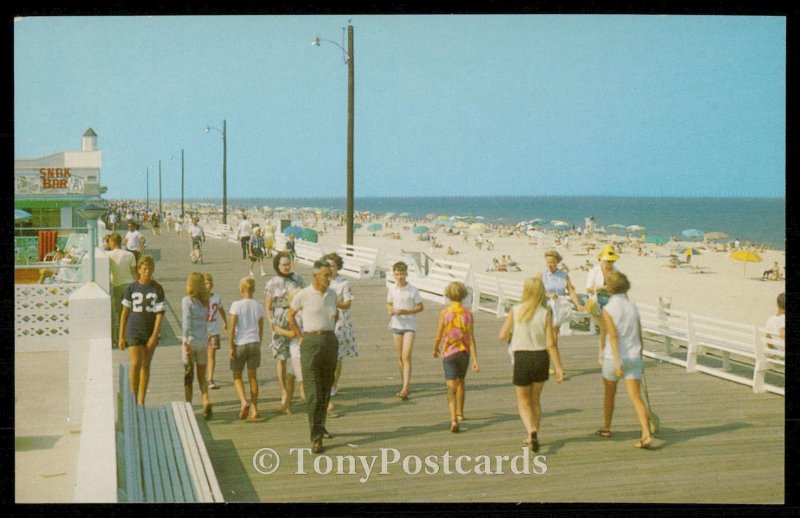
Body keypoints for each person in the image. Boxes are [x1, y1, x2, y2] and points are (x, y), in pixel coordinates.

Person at [498, 277, 565, 452]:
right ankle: (532, 434)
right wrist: (558, 367)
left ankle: (531, 431)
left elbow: (502, 335)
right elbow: (551, 343)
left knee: (523, 401)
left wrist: (515, 332)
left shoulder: (516, 309)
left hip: (522, 357)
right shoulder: (545, 312)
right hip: (540, 357)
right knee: (535, 400)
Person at [594, 270, 654, 449]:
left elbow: (612, 336)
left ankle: (607, 427)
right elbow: (639, 334)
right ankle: (646, 433)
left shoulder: (608, 308)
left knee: (609, 394)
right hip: (635, 355)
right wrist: (640, 355)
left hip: (615, 358)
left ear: (610, 288)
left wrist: (617, 361)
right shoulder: (632, 306)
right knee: (636, 397)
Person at [288, 260, 339, 454]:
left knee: (326, 387)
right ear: (316, 276)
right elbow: (290, 316)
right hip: (310, 340)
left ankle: (321, 425)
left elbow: (336, 314)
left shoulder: (332, 294)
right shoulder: (304, 294)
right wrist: (300, 336)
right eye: (326, 275)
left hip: (329, 340)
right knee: (313, 392)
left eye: (330, 274)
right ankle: (315, 437)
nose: (329, 278)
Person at [118, 255, 165, 406]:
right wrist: (121, 336)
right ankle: (133, 398)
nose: (147, 272)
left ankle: (141, 401)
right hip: (134, 330)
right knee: (135, 364)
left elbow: (159, 314)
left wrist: (154, 335)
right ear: (138, 269)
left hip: (149, 331)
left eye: (150, 269)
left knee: (146, 365)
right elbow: (124, 312)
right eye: (144, 269)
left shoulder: (157, 288)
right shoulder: (131, 288)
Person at [433, 281, 479, 433]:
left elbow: (440, 333)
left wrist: (435, 348)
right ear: (464, 296)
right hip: (463, 353)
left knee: (450, 388)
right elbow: (471, 338)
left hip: (449, 353)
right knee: (461, 383)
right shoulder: (468, 314)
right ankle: (460, 413)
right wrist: (475, 360)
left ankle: (453, 419)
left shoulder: (445, 313)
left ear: (448, 295)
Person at [265, 252, 306, 414]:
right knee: (281, 358)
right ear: (277, 266)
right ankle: (284, 390)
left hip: (296, 318)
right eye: (284, 264)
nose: (287, 266)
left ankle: (301, 388)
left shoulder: (299, 279)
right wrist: (272, 323)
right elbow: (268, 307)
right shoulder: (272, 283)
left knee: (298, 356)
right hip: (280, 320)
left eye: (289, 263)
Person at [229, 276, 265, 421]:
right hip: (254, 343)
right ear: (254, 289)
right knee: (253, 377)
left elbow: (232, 328)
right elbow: (261, 328)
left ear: (241, 290)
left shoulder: (236, 305)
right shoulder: (259, 306)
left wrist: (231, 346)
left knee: (237, 376)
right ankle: (255, 409)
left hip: (240, 343)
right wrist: (259, 342)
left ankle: (244, 401)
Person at [386, 261, 424, 400]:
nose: (400, 276)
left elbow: (420, 307)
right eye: (397, 274)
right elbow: (389, 303)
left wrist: (406, 311)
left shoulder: (412, 290)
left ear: (406, 274)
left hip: (409, 325)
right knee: (400, 357)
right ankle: (404, 383)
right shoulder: (392, 288)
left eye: (402, 274)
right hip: (396, 324)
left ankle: (405, 388)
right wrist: (390, 310)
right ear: (394, 274)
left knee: (406, 355)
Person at [325, 253, 358, 397]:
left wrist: (334, 302)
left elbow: (348, 303)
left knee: (337, 355)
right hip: (323, 318)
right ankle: (325, 382)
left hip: (339, 319)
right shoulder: (321, 280)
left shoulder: (343, 282)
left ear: (337, 266)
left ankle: (333, 384)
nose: (329, 268)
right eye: (327, 265)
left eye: (332, 265)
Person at [182, 272, 213, 419]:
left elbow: (187, 323)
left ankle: (188, 405)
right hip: (202, 342)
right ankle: (205, 399)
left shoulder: (187, 301)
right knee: (202, 375)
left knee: (189, 376)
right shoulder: (205, 302)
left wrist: (185, 342)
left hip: (190, 341)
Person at [271, 288, 305, 414]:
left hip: (298, 351)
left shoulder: (296, 314)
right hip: (294, 349)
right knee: (290, 378)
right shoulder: (299, 312)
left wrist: (280, 330)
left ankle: (326, 407)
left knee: (303, 386)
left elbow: (293, 333)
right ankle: (286, 406)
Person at [542, 250, 585, 347]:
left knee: (554, 333)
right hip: (545, 306)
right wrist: (548, 294)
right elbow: (534, 290)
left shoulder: (563, 275)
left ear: (557, 262)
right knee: (548, 333)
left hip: (558, 307)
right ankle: (546, 355)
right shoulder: (542, 275)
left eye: (552, 262)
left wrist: (578, 304)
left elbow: (571, 291)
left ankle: (550, 355)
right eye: (547, 262)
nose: (549, 264)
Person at [106, 233, 138, 343]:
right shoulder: (130, 255)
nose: (108, 244)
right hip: (130, 285)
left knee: (118, 313)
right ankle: (131, 337)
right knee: (130, 313)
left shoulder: (108, 255)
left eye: (109, 242)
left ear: (113, 242)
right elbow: (134, 273)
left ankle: (118, 338)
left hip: (116, 285)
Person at [205, 273, 228, 390]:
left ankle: (210, 378)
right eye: (205, 283)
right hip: (202, 331)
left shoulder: (217, 297)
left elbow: (221, 309)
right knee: (200, 355)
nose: (208, 285)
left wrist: (225, 321)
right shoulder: (199, 299)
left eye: (210, 283)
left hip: (213, 329)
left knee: (212, 354)